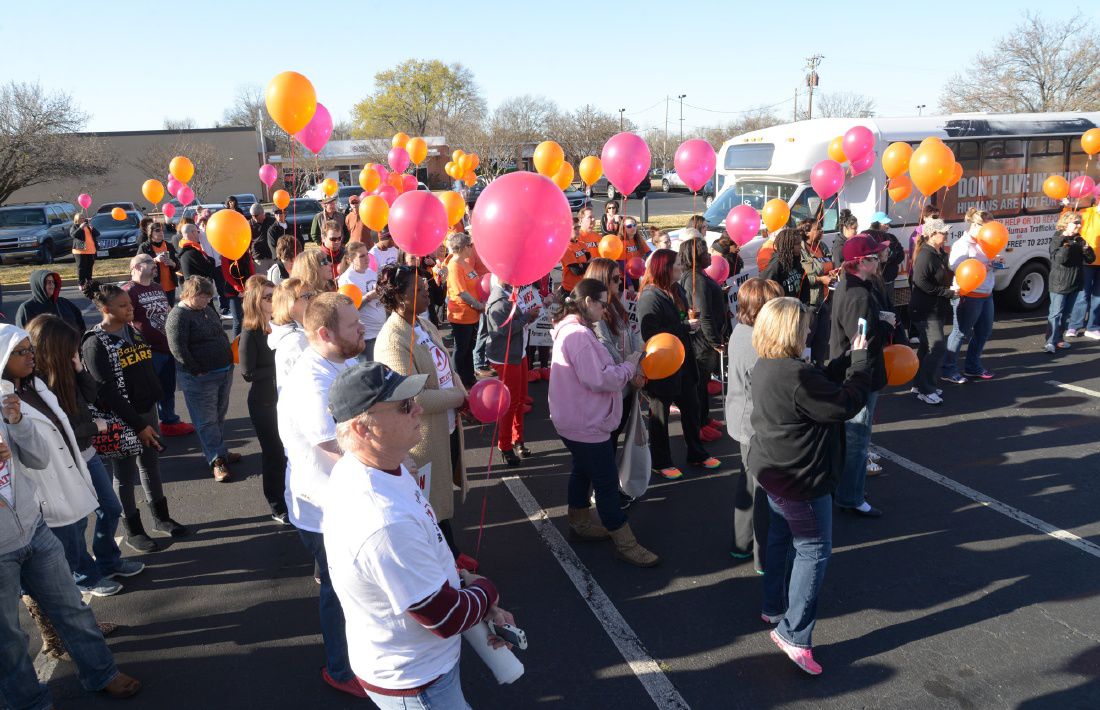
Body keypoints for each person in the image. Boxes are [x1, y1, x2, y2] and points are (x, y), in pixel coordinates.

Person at [322, 361, 514, 707]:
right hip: (416, 683)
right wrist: (487, 590)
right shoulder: (383, 520)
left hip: (413, 667)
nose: (419, 409)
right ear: (363, 429)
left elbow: (425, 557)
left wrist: (464, 578)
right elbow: (444, 616)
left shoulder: (380, 467)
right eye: (405, 405)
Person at [0, 381, 142, 707]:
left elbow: (37, 459)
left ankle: (102, 673)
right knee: (8, 639)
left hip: (33, 527)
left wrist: (18, 424)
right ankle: (30, 702)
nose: (29, 356)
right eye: (22, 352)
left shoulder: (6, 398)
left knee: (73, 608)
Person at [749, 297, 871, 676]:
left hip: (773, 471)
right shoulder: (796, 377)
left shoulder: (769, 366)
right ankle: (794, 634)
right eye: (803, 326)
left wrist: (844, 362)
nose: (808, 331)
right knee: (814, 550)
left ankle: (773, 605)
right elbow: (842, 404)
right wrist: (862, 364)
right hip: (801, 479)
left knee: (780, 538)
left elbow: (817, 384)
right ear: (790, 332)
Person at [277, 291, 365, 698]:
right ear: (326, 333)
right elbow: (333, 442)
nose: (362, 327)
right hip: (323, 507)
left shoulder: (340, 361)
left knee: (349, 585)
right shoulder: (312, 381)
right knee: (338, 589)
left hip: (342, 498)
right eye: (353, 324)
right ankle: (340, 668)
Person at [26, 315, 146, 593]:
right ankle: (85, 577)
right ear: (53, 348)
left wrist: (80, 369)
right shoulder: (34, 385)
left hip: (87, 453)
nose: (75, 351)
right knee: (76, 523)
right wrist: (95, 426)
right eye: (70, 347)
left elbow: (92, 396)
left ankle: (107, 562)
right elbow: (57, 432)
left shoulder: (65, 369)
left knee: (110, 507)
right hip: (63, 461)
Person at [0, 322, 116, 597]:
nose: (31, 356)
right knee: (61, 562)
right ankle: (82, 586)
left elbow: (63, 428)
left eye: (30, 350)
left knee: (77, 533)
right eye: (21, 352)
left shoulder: (35, 385)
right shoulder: (7, 400)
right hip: (42, 493)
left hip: (69, 472)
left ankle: (84, 589)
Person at [549, 278, 657, 566]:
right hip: (585, 422)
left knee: (582, 471)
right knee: (606, 483)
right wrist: (630, 364)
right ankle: (626, 543)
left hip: (574, 418)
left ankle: (579, 523)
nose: (605, 309)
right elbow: (600, 378)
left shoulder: (573, 331)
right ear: (587, 302)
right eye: (602, 303)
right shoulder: (579, 336)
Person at [373, 265, 472, 566]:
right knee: (427, 501)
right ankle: (446, 561)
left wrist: (461, 389)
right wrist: (459, 398)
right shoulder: (392, 339)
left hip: (446, 425)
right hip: (423, 435)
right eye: (418, 290)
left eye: (426, 286)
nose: (427, 290)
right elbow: (410, 396)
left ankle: (450, 552)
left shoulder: (423, 325)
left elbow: (447, 368)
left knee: (439, 498)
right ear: (399, 298)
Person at [82, 281, 186, 552]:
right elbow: (107, 392)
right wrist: (137, 425)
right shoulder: (95, 343)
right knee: (125, 475)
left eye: (130, 304)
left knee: (150, 465)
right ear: (106, 309)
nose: (131, 309)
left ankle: (161, 518)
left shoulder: (132, 331)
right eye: (123, 306)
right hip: (123, 419)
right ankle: (133, 529)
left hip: (146, 411)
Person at [636, 250, 720, 480]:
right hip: (662, 365)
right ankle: (661, 462)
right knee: (659, 415)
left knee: (691, 408)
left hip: (683, 361)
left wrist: (686, 323)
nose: (681, 267)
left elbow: (679, 318)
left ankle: (696, 453)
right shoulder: (650, 297)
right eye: (676, 264)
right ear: (664, 268)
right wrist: (684, 327)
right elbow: (650, 333)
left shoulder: (676, 288)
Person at [829, 234, 893, 517]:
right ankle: (850, 496)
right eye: (874, 257)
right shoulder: (859, 296)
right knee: (857, 439)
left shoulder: (850, 287)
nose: (879, 260)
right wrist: (884, 326)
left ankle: (845, 489)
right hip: (859, 378)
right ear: (861, 262)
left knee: (849, 438)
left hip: (851, 375)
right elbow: (861, 343)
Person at [724, 278, 783, 571]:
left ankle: (741, 543)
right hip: (754, 425)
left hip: (741, 419)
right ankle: (764, 556)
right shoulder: (757, 343)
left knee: (748, 481)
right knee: (763, 492)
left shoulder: (741, 331)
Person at [166, 276, 237, 483]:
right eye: (204, 296)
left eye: (210, 296)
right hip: (201, 378)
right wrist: (196, 370)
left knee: (218, 416)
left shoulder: (205, 309)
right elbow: (178, 349)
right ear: (190, 294)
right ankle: (217, 461)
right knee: (206, 421)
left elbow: (219, 333)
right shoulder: (178, 316)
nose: (208, 300)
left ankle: (220, 451)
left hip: (223, 371)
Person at [122, 254, 194, 437]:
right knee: (147, 391)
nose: (155, 264)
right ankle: (146, 426)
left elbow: (167, 311)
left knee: (167, 388)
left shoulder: (157, 287)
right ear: (136, 267)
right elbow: (122, 320)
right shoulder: (129, 290)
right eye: (149, 262)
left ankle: (169, 421)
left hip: (166, 346)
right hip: (147, 351)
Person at [239, 275, 289, 524]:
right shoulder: (250, 332)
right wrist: (282, 365)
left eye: (275, 296)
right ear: (257, 302)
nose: (273, 301)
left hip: (284, 400)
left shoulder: (280, 326)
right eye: (268, 297)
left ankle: (288, 498)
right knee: (274, 454)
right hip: (264, 403)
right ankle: (276, 505)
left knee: (288, 453)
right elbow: (247, 373)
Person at [583, 258, 644, 452]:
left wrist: (637, 365)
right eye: (616, 279)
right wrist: (630, 371)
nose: (620, 282)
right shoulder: (595, 313)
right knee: (606, 443)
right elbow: (605, 347)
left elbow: (631, 333)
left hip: (626, 384)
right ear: (602, 280)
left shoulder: (616, 304)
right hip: (613, 389)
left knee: (615, 438)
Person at [678, 237, 729, 443]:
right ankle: (698, 425)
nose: (710, 255)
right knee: (698, 385)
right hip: (701, 342)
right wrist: (716, 342)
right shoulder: (694, 279)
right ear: (697, 256)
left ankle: (705, 418)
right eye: (706, 252)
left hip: (704, 339)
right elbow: (703, 315)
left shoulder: (698, 276)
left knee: (704, 381)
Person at [942, 208, 1001, 383]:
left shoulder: (986, 242)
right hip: (968, 294)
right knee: (960, 332)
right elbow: (955, 266)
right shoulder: (963, 244)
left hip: (986, 292)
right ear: (975, 225)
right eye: (986, 226)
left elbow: (986, 265)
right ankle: (948, 369)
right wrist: (985, 266)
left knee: (984, 332)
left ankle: (972, 367)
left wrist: (995, 263)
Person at [485, 277, 537, 466]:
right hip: (506, 358)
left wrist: (529, 317)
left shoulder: (511, 292)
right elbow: (503, 329)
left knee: (520, 399)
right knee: (509, 403)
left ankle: (518, 439)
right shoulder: (498, 300)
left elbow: (518, 322)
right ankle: (504, 445)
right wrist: (527, 317)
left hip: (518, 353)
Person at [909, 218, 955, 403]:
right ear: (930, 234)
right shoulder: (925, 255)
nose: (946, 235)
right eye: (942, 232)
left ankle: (919, 383)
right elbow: (921, 283)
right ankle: (926, 390)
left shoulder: (939, 253)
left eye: (945, 232)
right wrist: (947, 292)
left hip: (936, 308)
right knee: (937, 348)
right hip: (925, 311)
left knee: (926, 349)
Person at [1047, 211, 1095, 353]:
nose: (1078, 225)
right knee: (1055, 314)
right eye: (1075, 222)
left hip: (1075, 282)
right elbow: (1059, 259)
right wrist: (1067, 244)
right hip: (1059, 283)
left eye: (1079, 223)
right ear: (1066, 224)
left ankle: (1059, 339)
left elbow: (1090, 259)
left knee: (1066, 314)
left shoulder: (1079, 239)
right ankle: (1050, 342)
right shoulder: (1058, 238)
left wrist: (1086, 248)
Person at [446, 232, 485, 388]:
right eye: (470, 245)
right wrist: (478, 305)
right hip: (461, 315)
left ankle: (468, 378)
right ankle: (458, 382)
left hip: (472, 314)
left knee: (468, 348)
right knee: (461, 349)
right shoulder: (454, 266)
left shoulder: (465, 263)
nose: (472, 247)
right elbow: (462, 293)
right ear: (463, 247)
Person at [336, 242, 384, 361]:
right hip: (366, 336)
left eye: (366, 254)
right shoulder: (346, 279)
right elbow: (347, 309)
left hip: (381, 331)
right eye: (361, 256)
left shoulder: (371, 273)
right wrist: (367, 298)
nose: (367, 258)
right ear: (350, 259)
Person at [269, 277, 314, 393]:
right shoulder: (296, 341)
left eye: (312, 295)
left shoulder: (297, 334)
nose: (312, 300)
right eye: (306, 297)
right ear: (290, 304)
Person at [800, 219, 835, 364]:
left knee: (822, 340)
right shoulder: (801, 249)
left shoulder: (823, 246)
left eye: (821, 228)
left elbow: (829, 264)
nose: (821, 231)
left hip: (825, 300)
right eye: (817, 228)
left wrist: (832, 272)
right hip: (811, 303)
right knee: (807, 341)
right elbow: (805, 275)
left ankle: (819, 371)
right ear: (807, 232)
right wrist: (820, 279)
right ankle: (807, 372)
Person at [1067, 195, 1100, 339]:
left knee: (1098, 297)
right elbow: (1069, 220)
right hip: (1087, 261)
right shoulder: (1087, 213)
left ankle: (1092, 327)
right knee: (1082, 295)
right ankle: (1074, 326)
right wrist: (1067, 206)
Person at [15, 271, 85, 334]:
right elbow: (22, 336)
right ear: (38, 285)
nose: (51, 285)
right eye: (47, 282)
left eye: (53, 282)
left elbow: (80, 325)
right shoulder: (27, 308)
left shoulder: (63, 302)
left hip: (70, 347)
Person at [137, 221, 179, 306]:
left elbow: (178, 265)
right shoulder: (145, 247)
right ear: (150, 233)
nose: (161, 232)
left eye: (162, 230)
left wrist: (172, 263)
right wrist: (155, 260)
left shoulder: (169, 245)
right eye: (157, 230)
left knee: (170, 311)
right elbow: (138, 264)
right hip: (153, 286)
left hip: (170, 286)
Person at [220, 246, 255, 340]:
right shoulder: (225, 256)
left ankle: (247, 341)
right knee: (238, 321)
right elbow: (227, 275)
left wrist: (250, 287)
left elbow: (252, 272)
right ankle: (236, 344)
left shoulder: (246, 253)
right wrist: (239, 289)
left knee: (249, 318)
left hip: (247, 290)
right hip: (233, 292)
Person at [761, 227, 806, 300]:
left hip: (795, 305)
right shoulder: (776, 264)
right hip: (782, 307)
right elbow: (765, 288)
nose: (801, 247)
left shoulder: (797, 259)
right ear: (787, 245)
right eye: (797, 244)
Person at [560, 220, 593, 294]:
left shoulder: (582, 244)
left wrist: (582, 265)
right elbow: (577, 271)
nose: (578, 230)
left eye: (579, 227)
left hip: (582, 288)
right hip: (570, 291)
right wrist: (587, 265)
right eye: (575, 228)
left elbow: (591, 261)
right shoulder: (566, 248)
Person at [70, 213, 98, 290]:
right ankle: (81, 283)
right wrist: (80, 228)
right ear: (77, 219)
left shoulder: (88, 227)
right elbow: (73, 235)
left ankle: (89, 281)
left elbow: (98, 234)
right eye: (81, 218)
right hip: (80, 251)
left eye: (83, 217)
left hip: (91, 250)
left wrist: (91, 227)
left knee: (89, 266)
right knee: (81, 267)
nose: (83, 219)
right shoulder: (75, 226)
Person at [247, 203, 276, 274]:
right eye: (253, 216)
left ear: (263, 213)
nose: (255, 218)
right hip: (258, 257)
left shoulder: (272, 221)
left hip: (272, 255)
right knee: (262, 281)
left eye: (256, 216)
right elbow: (247, 242)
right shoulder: (248, 225)